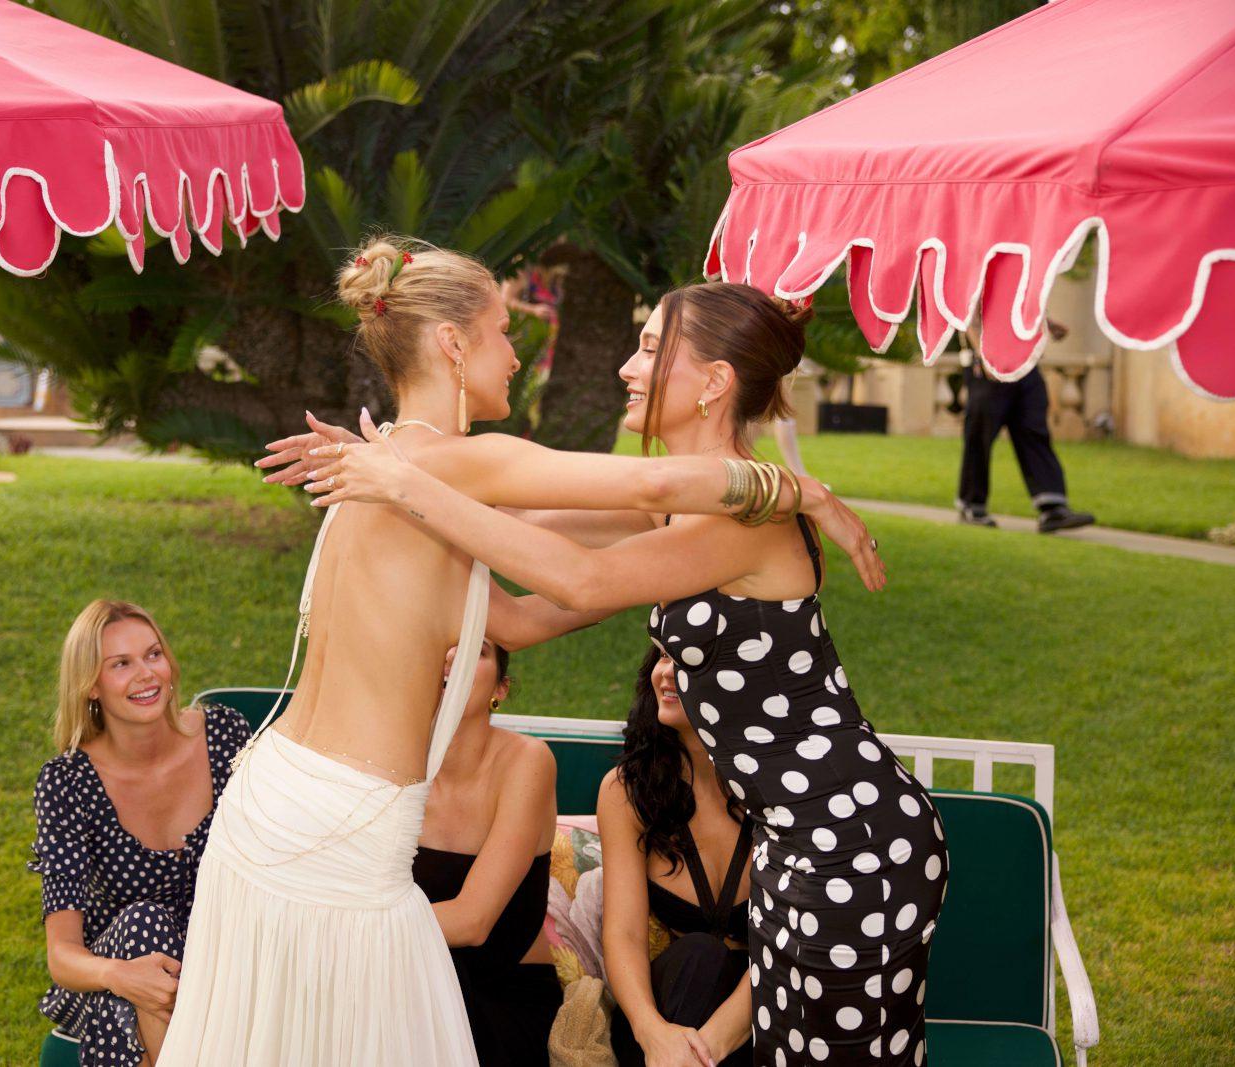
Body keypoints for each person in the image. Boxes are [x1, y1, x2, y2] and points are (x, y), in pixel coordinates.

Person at [164, 238, 872, 1067]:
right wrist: (801, 488)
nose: (517, 352)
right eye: (504, 331)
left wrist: (644, 571)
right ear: (453, 344)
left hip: (273, 798)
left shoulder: (390, 472)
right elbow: (647, 488)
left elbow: (520, 614)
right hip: (345, 824)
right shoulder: (437, 467)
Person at [300, 278, 947, 1065]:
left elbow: (582, 580)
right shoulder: (677, 510)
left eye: (649, 348)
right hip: (799, 836)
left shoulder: (750, 516)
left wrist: (406, 482)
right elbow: (512, 555)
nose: (626, 368)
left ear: (714, 381)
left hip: (851, 836)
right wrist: (389, 465)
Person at [27, 600, 252, 1067]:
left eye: (153, 654)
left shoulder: (224, 736)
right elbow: (62, 956)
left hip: (222, 956)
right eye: (121, 664)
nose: (146, 674)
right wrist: (121, 975)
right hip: (117, 972)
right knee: (143, 928)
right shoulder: (68, 783)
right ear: (91, 684)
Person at [602, 645, 753, 1067]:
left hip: (760, 1010)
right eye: (663, 657)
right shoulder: (628, 791)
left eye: (688, 659)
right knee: (700, 955)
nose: (666, 673)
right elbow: (624, 935)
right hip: (664, 1016)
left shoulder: (782, 792)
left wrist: (709, 1045)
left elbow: (789, 945)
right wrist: (653, 1033)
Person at [413, 639, 561, 1067]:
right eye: (444, 647)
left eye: (476, 650)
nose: (452, 658)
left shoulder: (527, 761)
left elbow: (472, 922)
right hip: (410, 977)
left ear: (501, 688)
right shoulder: (393, 764)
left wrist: (349, 928)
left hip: (501, 997)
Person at [956, 313, 1095, 532]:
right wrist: (985, 358)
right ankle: (972, 505)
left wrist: (1047, 322)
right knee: (980, 437)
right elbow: (970, 315)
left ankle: (1052, 507)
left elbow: (1021, 301)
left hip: (1025, 363)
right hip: (990, 363)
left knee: (1034, 431)